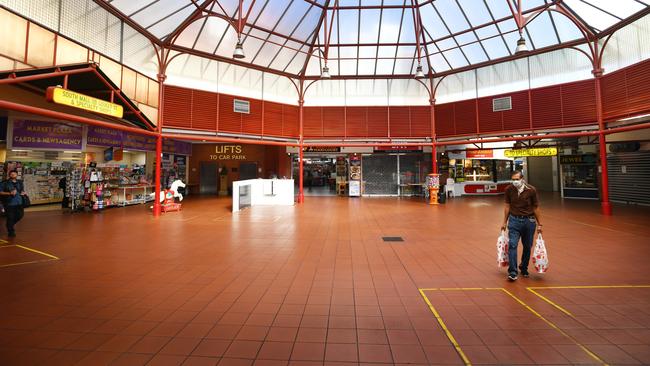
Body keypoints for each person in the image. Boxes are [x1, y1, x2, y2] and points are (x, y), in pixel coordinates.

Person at [500, 170, 543, 281]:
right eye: (513, 179)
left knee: (527, 246)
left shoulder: (531, 190)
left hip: (529, 222)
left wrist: (540, 224)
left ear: (522, 178)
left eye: (517, 179)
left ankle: (523, 267)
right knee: (512, 245)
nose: (515, 181)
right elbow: (507, 206)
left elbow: (536, 207)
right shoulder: (509, 190)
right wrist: (504, 222)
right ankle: (513, 272)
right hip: (514, 221)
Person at [1, 170, 27, 237]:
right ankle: (11, 231)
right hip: (9, 203)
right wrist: (9, 193)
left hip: (19, 202)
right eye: (11, 174)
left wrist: (23, 193)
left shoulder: (20, 182)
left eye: (14, 174)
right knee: (10, 217)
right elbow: (0, 192)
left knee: (20, 215)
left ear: (17, 175)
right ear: (9, 175)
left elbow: (22, 190)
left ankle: (9, 225)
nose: (13, 175)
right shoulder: (4, 183)